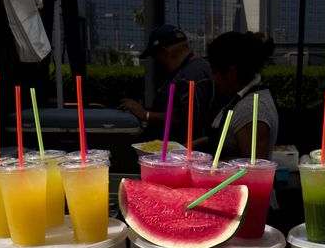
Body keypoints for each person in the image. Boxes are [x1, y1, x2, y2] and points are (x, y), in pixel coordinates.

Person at [118, 24, 221, 143]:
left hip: (182, 155)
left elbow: (185, 119)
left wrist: (146, 115)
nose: (155, 62)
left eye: (154, 56)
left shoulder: (190, 75)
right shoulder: (192, 70)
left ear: (163, 52)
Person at [204, 30, 279, 161]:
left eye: (214, 72)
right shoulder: (240, 98)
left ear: (231, 73)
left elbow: (255, 172)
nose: (212, 77)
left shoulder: (251, 110)